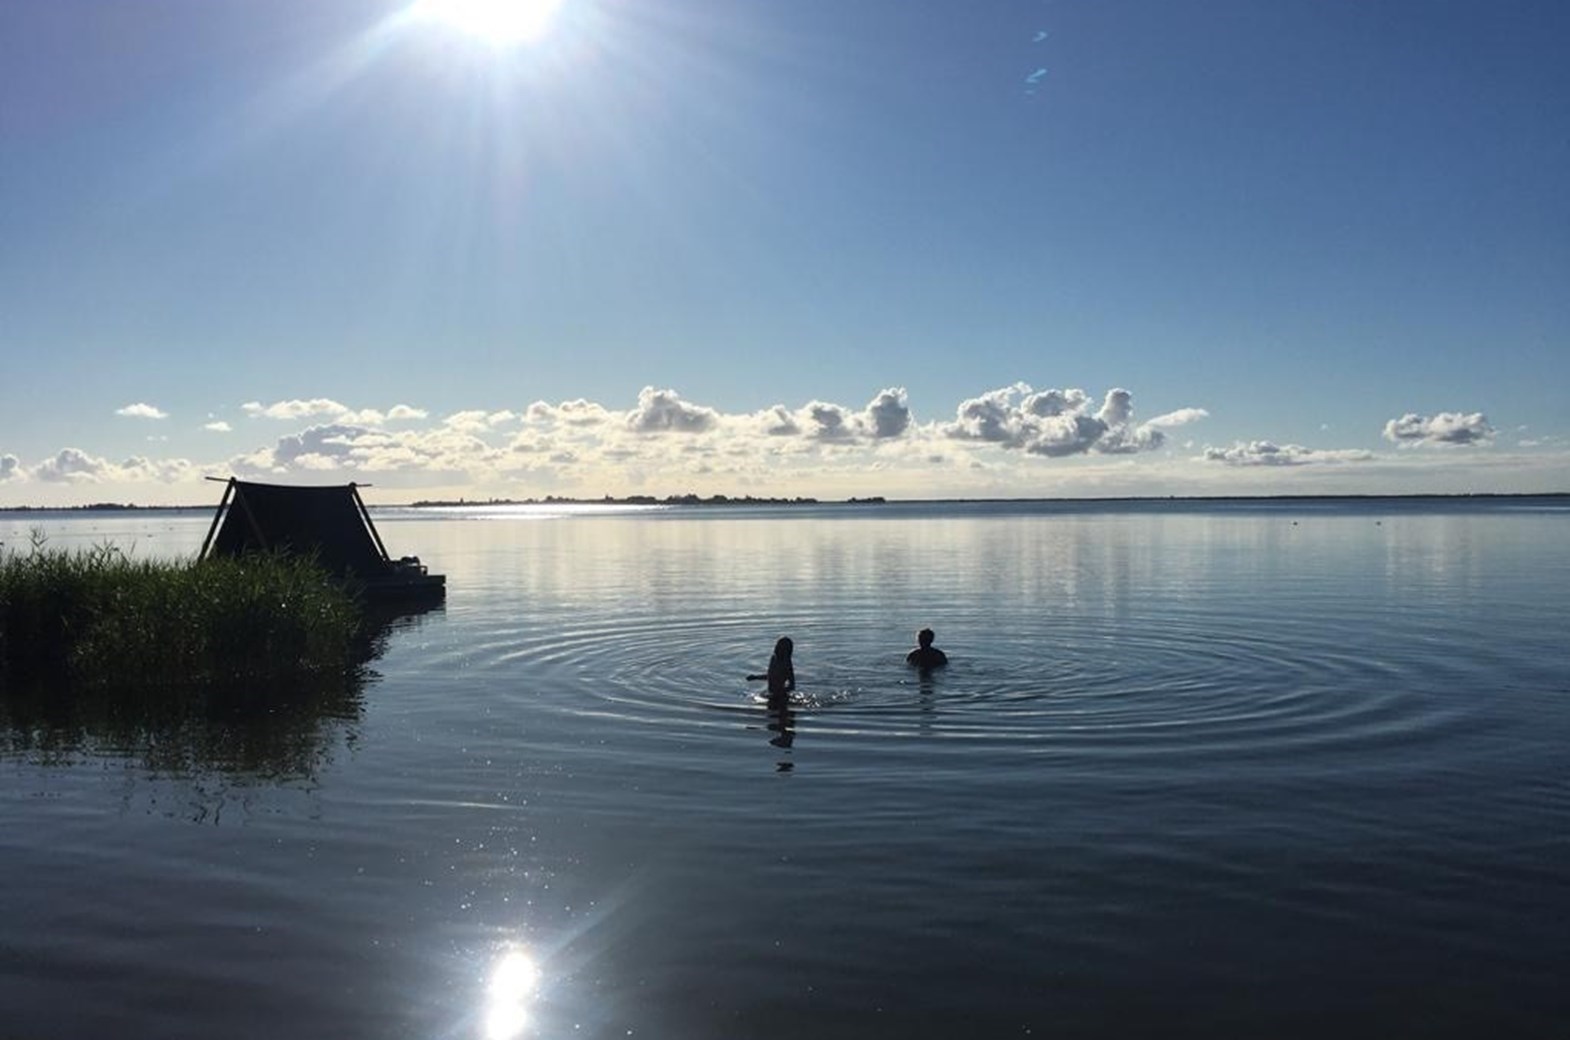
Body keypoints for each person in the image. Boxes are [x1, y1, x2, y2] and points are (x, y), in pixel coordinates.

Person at [747, 636, 796, 703]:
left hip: (780, 697)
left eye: (779, 647)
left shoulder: (787, 664)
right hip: (771, 694)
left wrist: (781, 691)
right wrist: (756, 677)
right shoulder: (773, 659)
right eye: (777, 645)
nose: (776, 648)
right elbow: (771, 676)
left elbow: (792, 685)